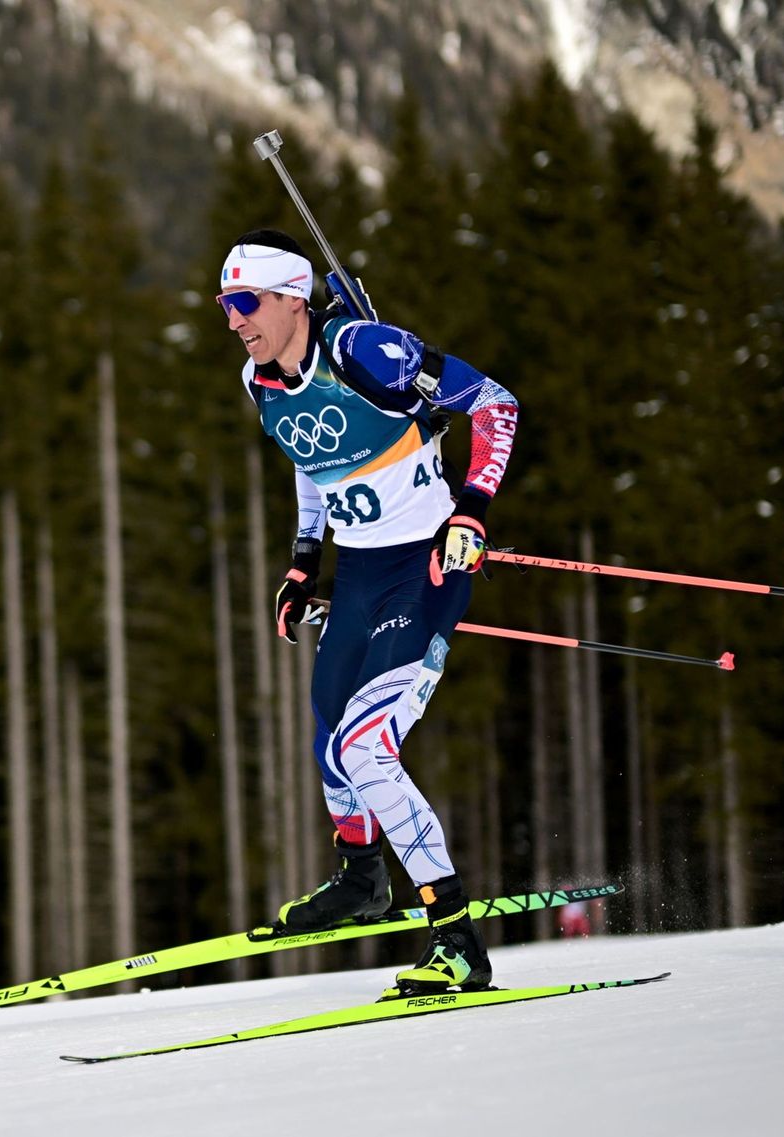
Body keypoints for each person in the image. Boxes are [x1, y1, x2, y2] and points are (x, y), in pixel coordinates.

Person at [218, 229, 519, 996]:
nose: (234, 319)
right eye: (225, 304)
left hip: (425, 564)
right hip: (357, 574)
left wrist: (474, 510)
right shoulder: (260, 380)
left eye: (245, 302)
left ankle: (456, 941)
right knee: (327, 729)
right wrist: (303, 557)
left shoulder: (364, 352)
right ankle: (362, 880)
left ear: (292, 298)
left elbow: (495, 403)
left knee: (365, 748)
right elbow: (312, 461)